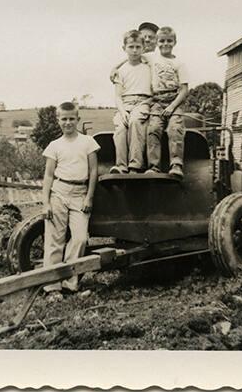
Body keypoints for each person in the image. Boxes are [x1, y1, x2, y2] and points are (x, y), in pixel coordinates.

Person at [41, 101, 100, 299]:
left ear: (78, 119)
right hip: (58, 192)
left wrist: (89, 198)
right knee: (54, 241)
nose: (68, 123)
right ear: (58, 120)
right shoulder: (54, 146)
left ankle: (69, 283)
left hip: (80, 194)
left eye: (71, 119)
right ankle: (52, 288)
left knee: (80, 238)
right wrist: (46, 202)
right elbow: (48, 176)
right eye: (63, 119)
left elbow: (93, 172)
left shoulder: (88, 142)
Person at [144, 26, 189, 179]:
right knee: (153, 129)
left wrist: (172, 106)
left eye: (169, 41)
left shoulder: (180, 63)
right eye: (162, 41)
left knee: (175, 129)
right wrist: (115, 68)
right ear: (157, 42)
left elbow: (184, 90)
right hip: (157, 100)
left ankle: (176, 164)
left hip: (174, 101)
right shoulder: (151, 58)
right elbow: (132, 56)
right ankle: (154, 166)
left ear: (174, 42)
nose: (165, 44)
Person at [110, 30, 152, 174]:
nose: (134, 51)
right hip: (125, 103)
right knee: (120, 127)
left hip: (143, 102)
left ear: (143, 48)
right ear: (124, 48)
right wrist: (122, 112)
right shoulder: (120, 71)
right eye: (131, 47)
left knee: (135, 122)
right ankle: (121, 166)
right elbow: (117, 96)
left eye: (138, 47)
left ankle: (135, 164)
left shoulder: (149, 66)